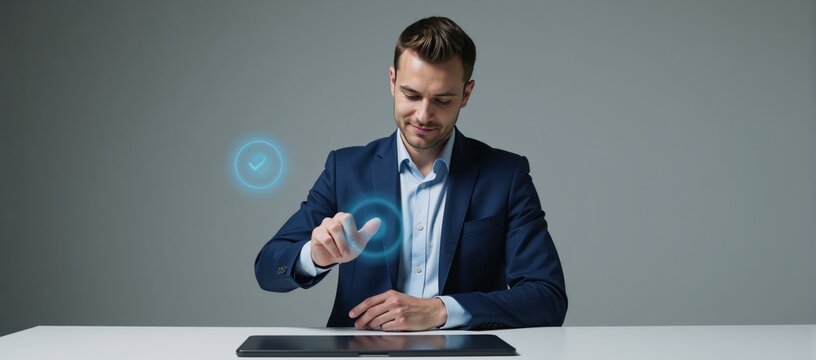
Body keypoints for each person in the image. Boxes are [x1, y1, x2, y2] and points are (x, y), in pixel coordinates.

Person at [254, 16, 567, 331]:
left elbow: (548, 297)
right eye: (412, 95)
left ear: (467, 94)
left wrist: (442, 310)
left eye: (442, 100)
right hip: (363, 353)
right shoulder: (345, 170)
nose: (423, 115)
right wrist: (313, 257)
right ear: (392, 81)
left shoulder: (505, 176)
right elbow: (268, 267)